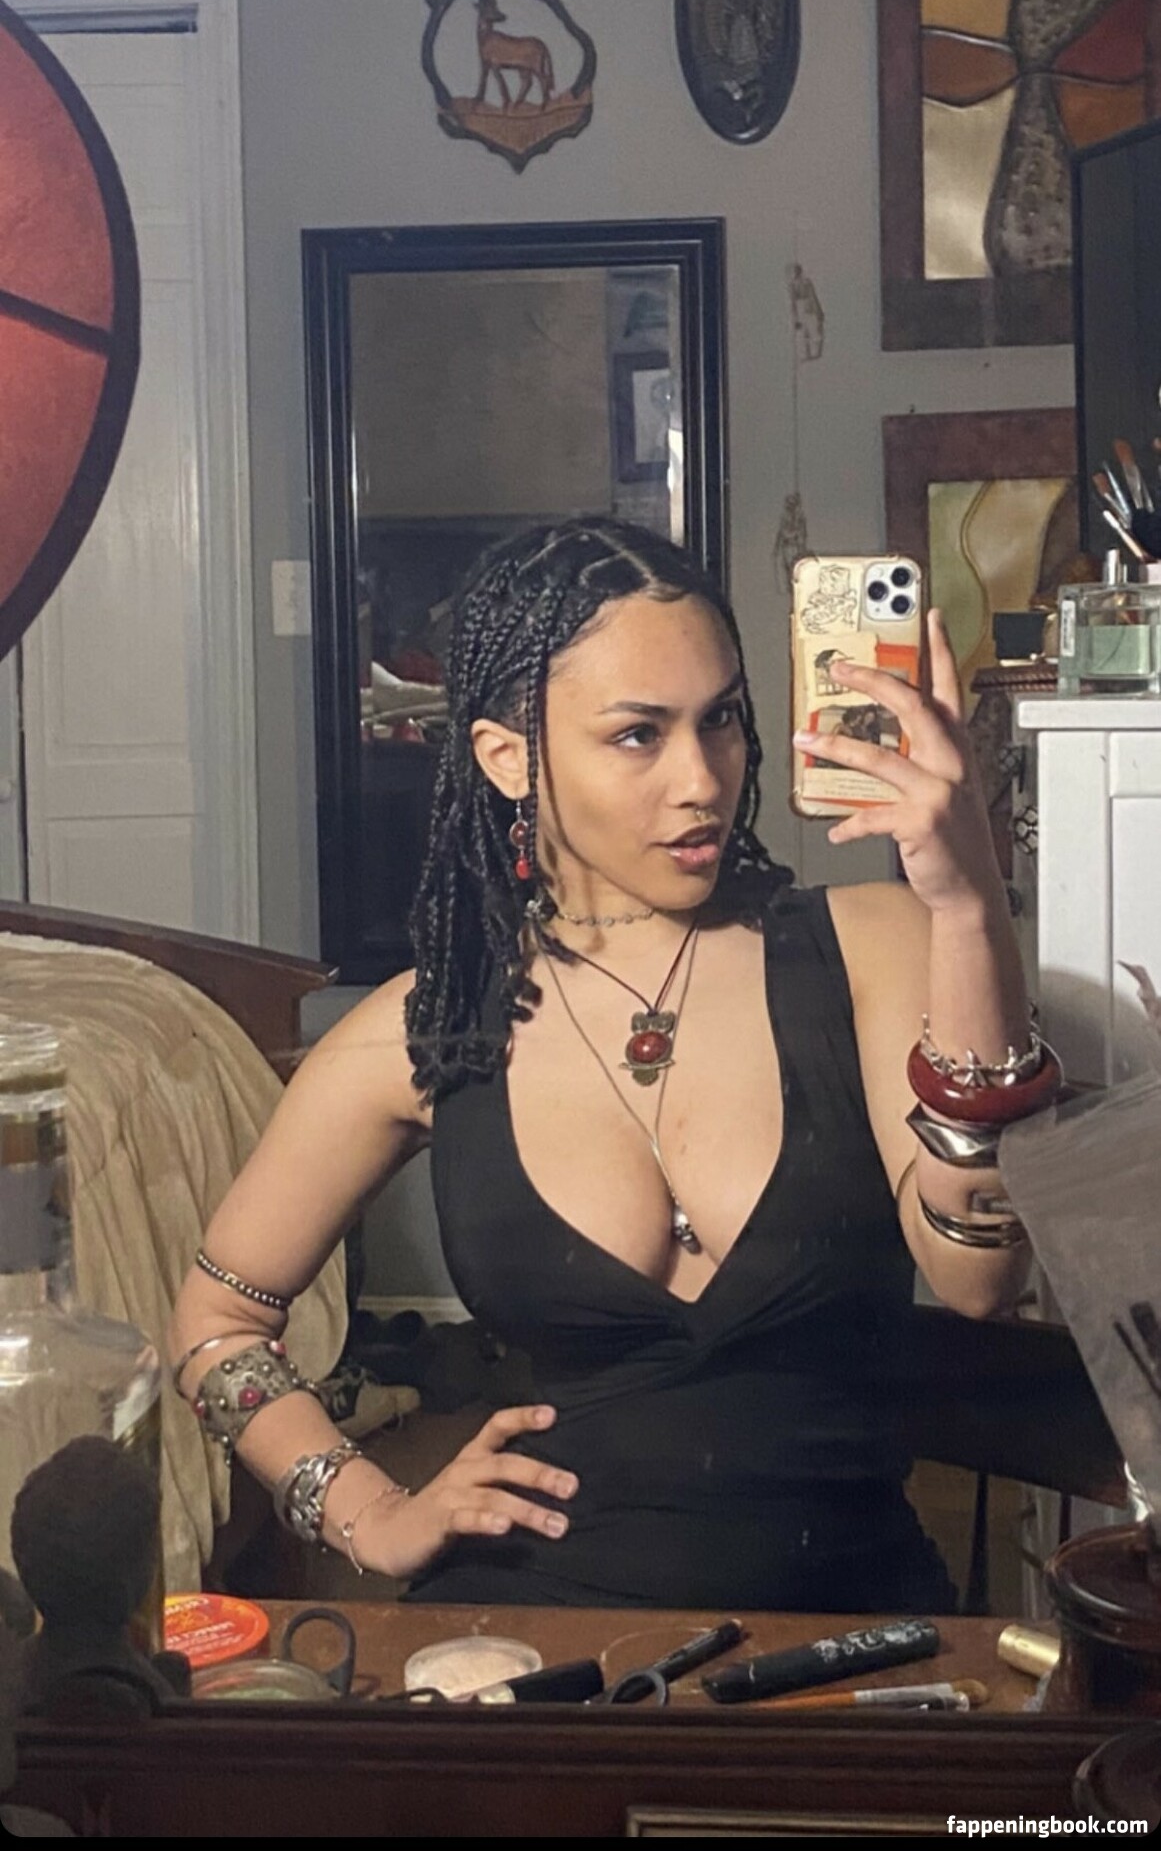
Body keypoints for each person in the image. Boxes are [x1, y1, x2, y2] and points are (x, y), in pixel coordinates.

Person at [171, 519, 1053, 1611]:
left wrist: (967, 907)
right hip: (526, 1635)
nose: (701, 780)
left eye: (720, 719)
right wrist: (368, 1513)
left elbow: (978, 1278)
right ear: (507, 758)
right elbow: (216, 1328)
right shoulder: (429, 1028)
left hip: (851, 1641)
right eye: (638, 734)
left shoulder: (870, 944)